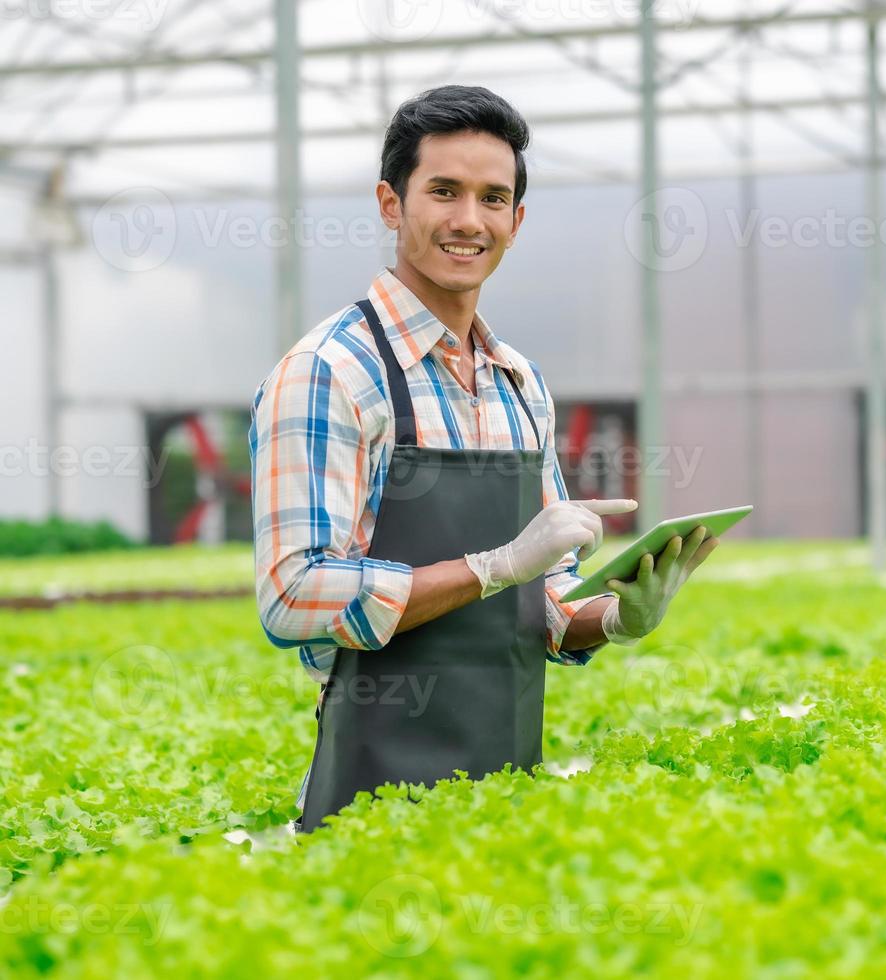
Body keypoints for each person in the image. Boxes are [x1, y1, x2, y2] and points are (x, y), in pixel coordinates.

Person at [246, 85, 718, 832]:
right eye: (443, 191)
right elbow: (293, 595)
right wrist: (492, 567)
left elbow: (548, 602)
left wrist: (615, 615)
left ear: (516, 221)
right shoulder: (329, 373)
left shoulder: (518, 383)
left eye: (493, 198)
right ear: (390, 204)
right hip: (369, 799)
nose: (470, 221)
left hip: (506, 791)